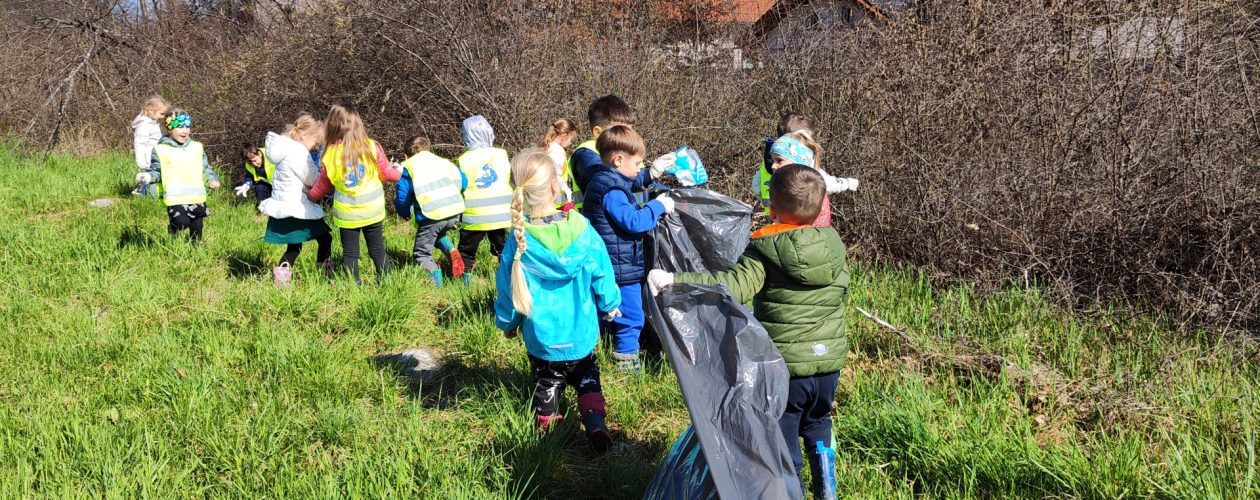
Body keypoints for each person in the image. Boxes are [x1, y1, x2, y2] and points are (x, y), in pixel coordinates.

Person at [648, 165, 849, 499]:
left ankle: (792, 491)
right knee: (817, 423)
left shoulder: (767, 249)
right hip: (829, 365)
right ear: (819, 207)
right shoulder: (833, 246)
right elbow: (842, 291)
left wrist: (676, 280)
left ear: (772, 207)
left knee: (781, 442)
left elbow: (733, 286)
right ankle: (827, 490)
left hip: (788, 371)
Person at [493, 148, 621, 453]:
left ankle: (549, 431)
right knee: (588, 378)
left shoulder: (519, 238)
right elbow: (602, 270)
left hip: (542, 337)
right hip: (581, 332)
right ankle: (595, 423)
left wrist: (508, 323)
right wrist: (610, 303)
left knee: (546, 383)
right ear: (555, 186)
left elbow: (509, 289)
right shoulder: (581, 229)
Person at [582, 125, 674, 372]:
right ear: (618, 159)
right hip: (621, 269)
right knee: (632, 317)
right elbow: (634, 222)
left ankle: (595, 356)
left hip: (610, 264)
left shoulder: (605, 179)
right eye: (638, 164)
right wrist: (658, 207)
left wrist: (652, 174)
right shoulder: (612, 190)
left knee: (606, 314)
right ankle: (626, 364)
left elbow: (629, 181)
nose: (639, 168)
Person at [306, 104, 401, 284]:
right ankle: (387, 284)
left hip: (347, 215)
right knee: (378, 250)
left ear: (331, 126)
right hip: (373, 211)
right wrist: (402, 174)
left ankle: (354, 287)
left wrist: (310, 196)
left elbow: (322, 185)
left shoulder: (329, 155)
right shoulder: (372, 147)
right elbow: (387, 174)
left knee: (350, 254)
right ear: (358, 124)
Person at [258, 114, 333, 286]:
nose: (315, 148)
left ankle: (282, 277)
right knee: (325, 239)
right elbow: (311, 178)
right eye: (316, 143)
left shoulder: (285, 149)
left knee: (295, 246)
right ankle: (325, 274)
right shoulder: (298, 152)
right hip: (297, 207)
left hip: (286, 205)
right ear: (304, 135)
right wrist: (324, 174)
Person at [394, 136, 467, 287]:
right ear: (428, 149)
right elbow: (464, 181)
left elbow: (403, 196)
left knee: (421, 253)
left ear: (406, 155)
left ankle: (436, 284)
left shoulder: (408, 166)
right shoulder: (443, 161)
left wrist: (404, 212)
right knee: (436, 233)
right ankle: (451, 250)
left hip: (432, 214)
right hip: (454, 212)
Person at [138, 110, 221, 242]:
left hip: (196, 196)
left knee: (197, 227)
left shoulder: (197, 147)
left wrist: (212, 179)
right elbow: (157, 171)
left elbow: (205, 168)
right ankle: (173, 229)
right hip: (174, 198)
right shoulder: (161, 149)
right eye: (180, 127)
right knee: (181, 222)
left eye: (188, 126)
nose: (185, 131)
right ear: (170, 128)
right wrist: (148, 177)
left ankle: (196, 250)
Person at [455, 115, 512, 286]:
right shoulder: (501, 154)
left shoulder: (464, 159)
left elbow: (460, 185)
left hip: (475, 216)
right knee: (502, 248)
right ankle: (508, 278)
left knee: (467, 251)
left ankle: (465, 284)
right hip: (501, 214)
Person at [567, 94, 651, 210]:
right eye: (620, 131)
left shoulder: (629, 152)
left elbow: (644, 187)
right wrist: (650, 174)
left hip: (635, 220)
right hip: (601, 224)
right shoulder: (585, 155)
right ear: (597, 132)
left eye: (629, 131)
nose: (629, 137)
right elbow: (609, 181)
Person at [764, 131, 859, 227]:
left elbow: (833, 183)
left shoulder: (814, 180)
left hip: (815, 230)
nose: (773, 165)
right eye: (773, 160)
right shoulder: (781, 181)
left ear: (799, 160)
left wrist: (848, 183)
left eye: (779, 160)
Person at [131, 95, 169, 196]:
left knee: (151, 174)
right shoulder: (144, 124)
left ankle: (142, 190)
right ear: (151, 110)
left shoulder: (152, 123)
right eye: (161, 114)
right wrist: (141, 160)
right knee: (149, 174)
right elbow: (139, 142)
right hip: (148, 156)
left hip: (154, 154)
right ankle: (141, 191)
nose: (162, 117)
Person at [539, 117, 579, 209]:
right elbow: (557, 176)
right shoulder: (557, 152)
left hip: (545, 199)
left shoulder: (547, 147)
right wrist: (568, 192)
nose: (570, 144)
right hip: (556, 201)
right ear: (564, 136)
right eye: (570, 140)